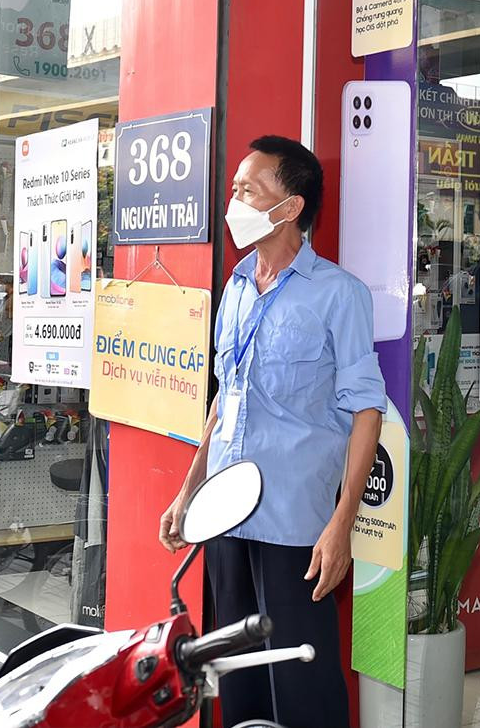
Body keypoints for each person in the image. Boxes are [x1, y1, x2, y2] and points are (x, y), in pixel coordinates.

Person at [158, 136, 385, 728]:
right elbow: (222, 403)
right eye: (234, 188)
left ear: (288, 208)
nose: (233, 200)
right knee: (235, 678)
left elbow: (367, 412)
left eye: (246, 190)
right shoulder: (234, 290)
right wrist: (189, 493)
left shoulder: (339, 295)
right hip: (226, 517)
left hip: (295, 527)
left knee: (302, 681)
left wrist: (343, 523)